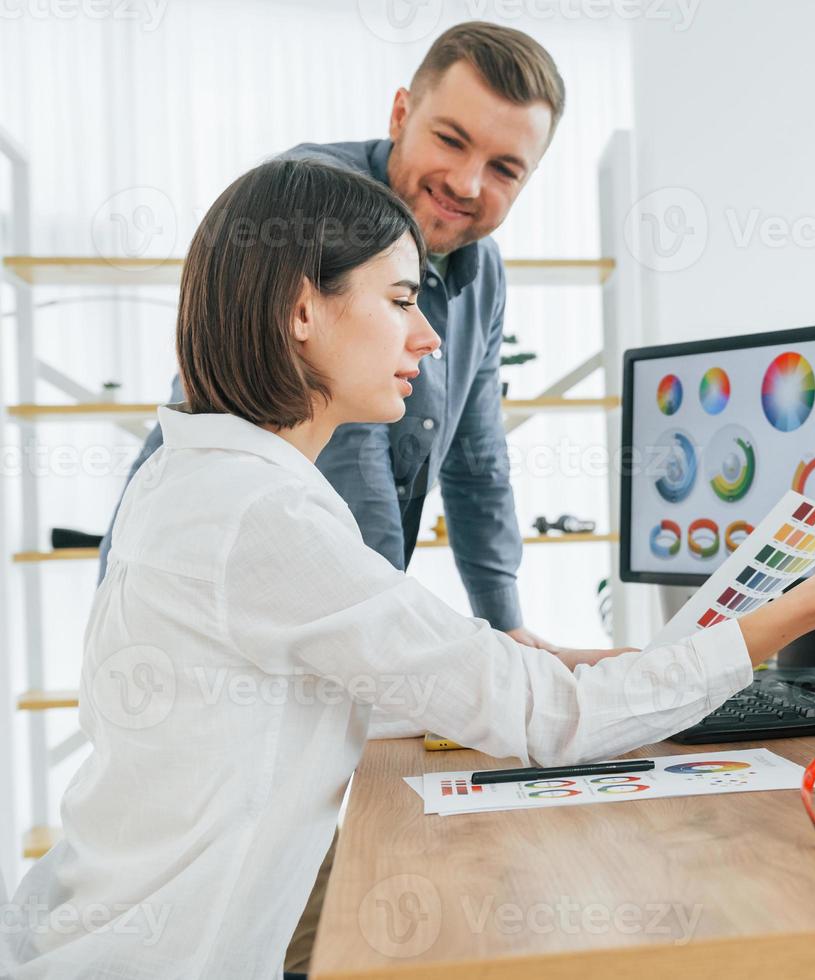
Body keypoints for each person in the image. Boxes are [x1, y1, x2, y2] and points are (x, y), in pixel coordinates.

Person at [6, 160, 815, 979]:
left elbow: (378, 678)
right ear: (303, 308)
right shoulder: (261, 513)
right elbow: (545, 719)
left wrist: (581, 659)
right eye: (400, 300)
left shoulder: (203, 477)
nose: (427, 337)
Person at [101, 21, 567, 653]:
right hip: (206, 606)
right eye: (451, 140)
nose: (466, 182)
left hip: (338, 605)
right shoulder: (317, 203)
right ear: (401, 112)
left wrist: (505, 624)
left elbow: (476, 457)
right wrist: (389, 638)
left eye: (505, 169)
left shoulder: (480, 270)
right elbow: (351, 444)